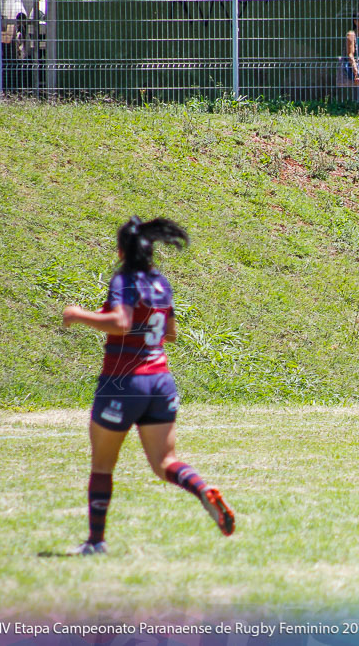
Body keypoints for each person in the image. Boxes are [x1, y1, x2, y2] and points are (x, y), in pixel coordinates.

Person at [61, 216, 235, 556]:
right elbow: (169, 333)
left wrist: (78, 314)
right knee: (165, 461)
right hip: (160, 382)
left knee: (102, 466)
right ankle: (201, 489)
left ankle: (95, 542)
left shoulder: (124, 280)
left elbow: (121, 322)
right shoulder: (160, 283)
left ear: (122, 249)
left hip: (123, 383)